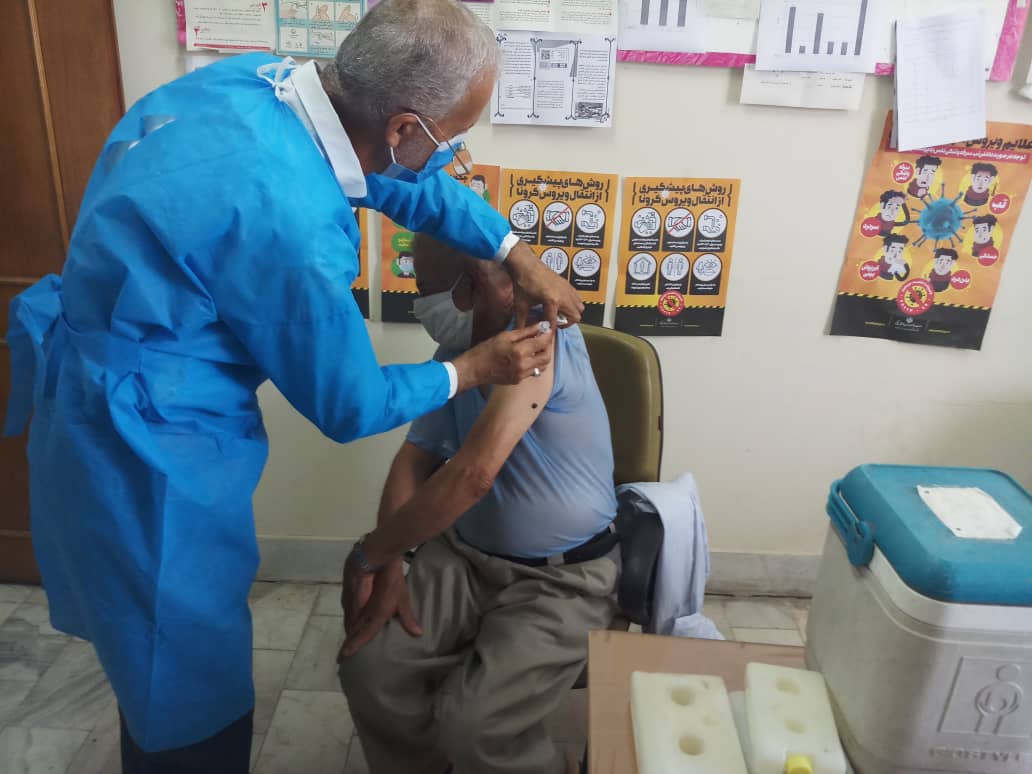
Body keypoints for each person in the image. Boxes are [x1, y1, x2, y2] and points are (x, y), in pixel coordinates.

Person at [1, 0, 585, 770]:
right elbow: (353, 406)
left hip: (101, 380)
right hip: (142, 443)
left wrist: (512, 248)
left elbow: (402, 186)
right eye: (453, 138)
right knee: (181, 686)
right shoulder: (291, 222)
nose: (456, 155)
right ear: (403, 128)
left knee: (148, 658)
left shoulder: (259, 84)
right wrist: (472, 370)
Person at [338, 235, 621, 774]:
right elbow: (414, 460)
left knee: (475, 724)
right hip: (466, 559)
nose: (419, 305)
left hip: (562, 578)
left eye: (426, 290)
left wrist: (368, 556)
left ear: (470, 287)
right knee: (369, 666)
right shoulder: (458, 357)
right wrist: (392, 563)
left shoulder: (542, 339)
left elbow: (473, 475)